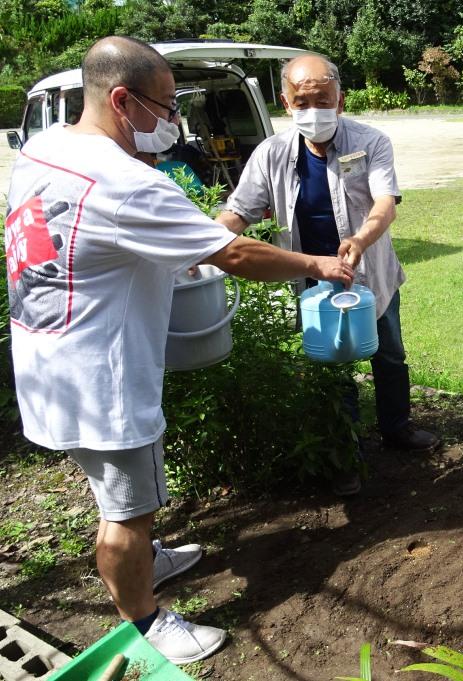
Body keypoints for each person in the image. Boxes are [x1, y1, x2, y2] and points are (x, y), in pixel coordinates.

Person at [4, 37, 353, 664]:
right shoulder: (128, 183)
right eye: (166, 107)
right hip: (98, 374)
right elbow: (237, 253)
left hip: (47, 351)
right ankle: (144, 624)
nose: (173, 122)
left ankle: (148, 558)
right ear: (120, 99)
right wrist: (317, 264)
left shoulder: (45, 147)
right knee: (125, 509)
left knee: (117, 491)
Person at [216, 55, 438, 464]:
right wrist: (204, 242)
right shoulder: (271, 154)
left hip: (370, 272)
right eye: (302, 102)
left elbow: (385, 203)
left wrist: (361, 238)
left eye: (323, 100)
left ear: (340, 99)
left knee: (388, 353)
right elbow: (240, 211)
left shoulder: (370, 142)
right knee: (329, 363)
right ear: (285, 103)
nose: (313, 111)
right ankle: (344, 448)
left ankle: (397, 426)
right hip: (311, 282)